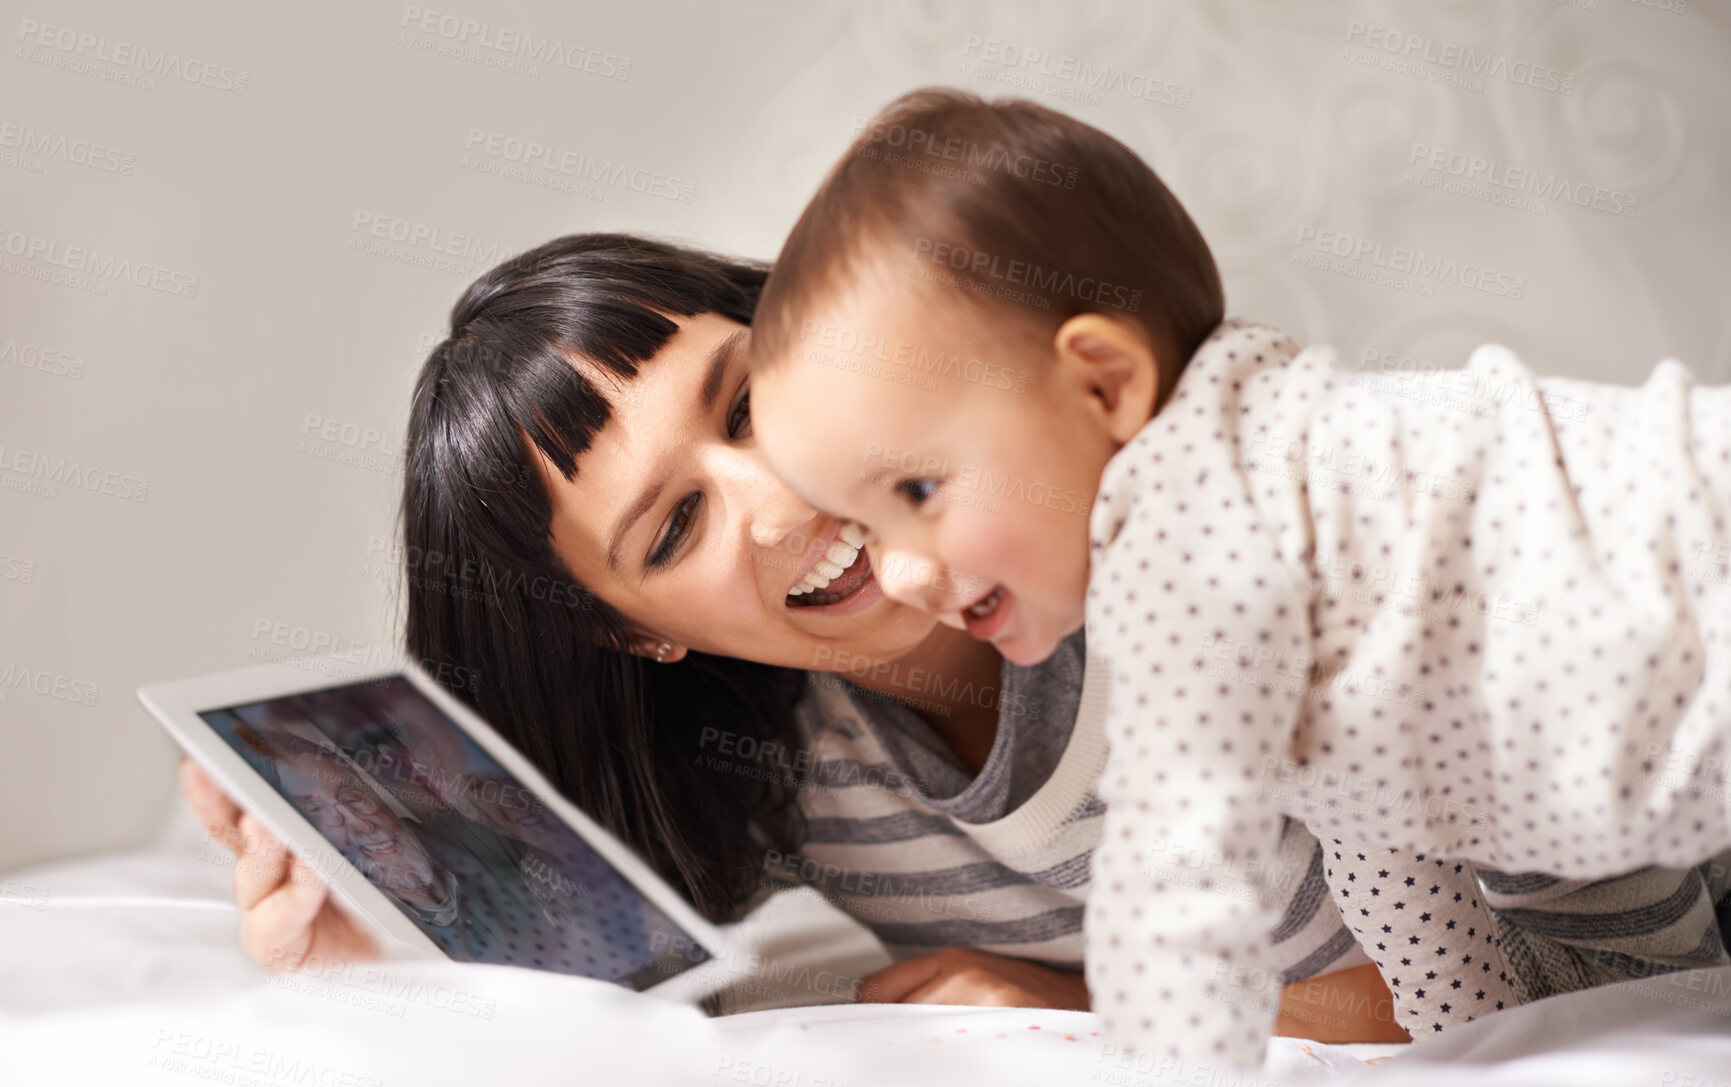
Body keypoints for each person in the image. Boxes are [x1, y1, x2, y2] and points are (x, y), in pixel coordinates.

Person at [180, 231, 1726, 1043]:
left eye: (738, 399)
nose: (772, 497)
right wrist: (373, 958)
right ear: (632, 639)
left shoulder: (1133, 556)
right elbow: (626, 1014)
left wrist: (1065, 1000)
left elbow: (1481, 987)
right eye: (671, 530)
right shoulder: (777, 764)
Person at [743, 86, 1731, 1064]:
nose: (903, 572)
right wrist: (1470, 1045)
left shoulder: (1196, 527)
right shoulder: (1295, 546)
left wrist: (1165, 1077)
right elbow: (1395, 865)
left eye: (917, 489)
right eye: (865, 523)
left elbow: (1178, 886)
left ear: (1104, 384)